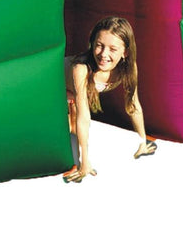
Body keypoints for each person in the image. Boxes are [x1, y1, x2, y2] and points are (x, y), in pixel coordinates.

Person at [64, 16, 157, 183]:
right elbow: (84, 117)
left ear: (125, 52)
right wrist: (84, 163)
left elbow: (133, 105)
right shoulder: (81, 69)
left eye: (113, 49)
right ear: (92, 43)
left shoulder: (128, 68)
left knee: (73, 121)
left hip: (72, 93)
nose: (103, 54)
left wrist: (142, 141)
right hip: (52, 85)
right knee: (71, 127)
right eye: (99, 45)